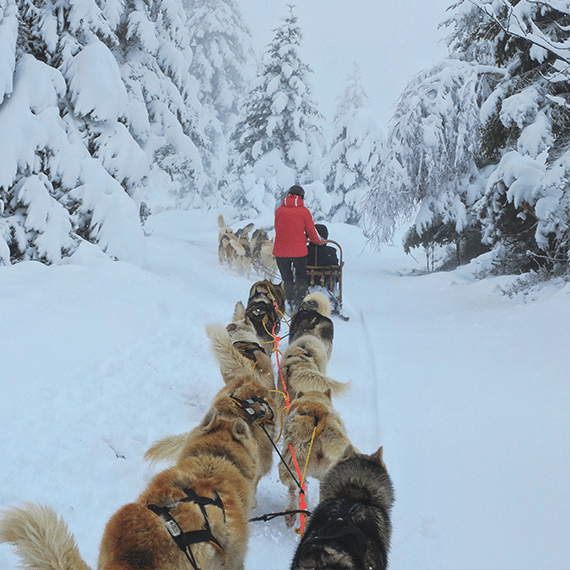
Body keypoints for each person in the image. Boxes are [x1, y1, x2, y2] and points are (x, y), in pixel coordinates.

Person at [273, 185, 326, 311]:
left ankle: (290, 301)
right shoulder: (304, 211)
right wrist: (320, 241)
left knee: (287, 278)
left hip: (281, 251)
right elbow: (312, 232)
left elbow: (278, 229)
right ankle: (299, 302)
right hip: (299, 252)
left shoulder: (279, 210)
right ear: (301, 196)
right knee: (301, 277)